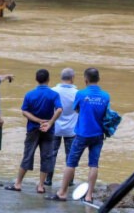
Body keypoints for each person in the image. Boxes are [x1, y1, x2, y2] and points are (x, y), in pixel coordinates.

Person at [47, 68, 110, 203]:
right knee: (94, 164)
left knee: (71, 162)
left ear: (85, 79)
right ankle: (89, 196)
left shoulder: (81, 94)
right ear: (98, 79)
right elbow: (106, 114)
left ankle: (62, 192)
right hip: (98, 134)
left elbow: (77, 109)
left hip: (82, 134)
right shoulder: (105, 96)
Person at [5, 69, 62, 194]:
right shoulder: (54, 94)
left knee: (28, 155)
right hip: (48, 129)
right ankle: (41, 185)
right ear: (48, 79)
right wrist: (49, 122)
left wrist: (38, 121)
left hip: (32, 129)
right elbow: (59, 109)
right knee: (46, 157)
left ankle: (18, 183)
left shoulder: (30, 94)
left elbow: (24, 111)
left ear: (36, 79)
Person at [44, 68, 78, 187]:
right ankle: (70, 181)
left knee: (51, 154)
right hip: (71, 130)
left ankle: (48, 179)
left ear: (61, 77)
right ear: (72, 78)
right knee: (71, 155)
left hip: (54, 127)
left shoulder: (53, 91)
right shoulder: (77, 93)